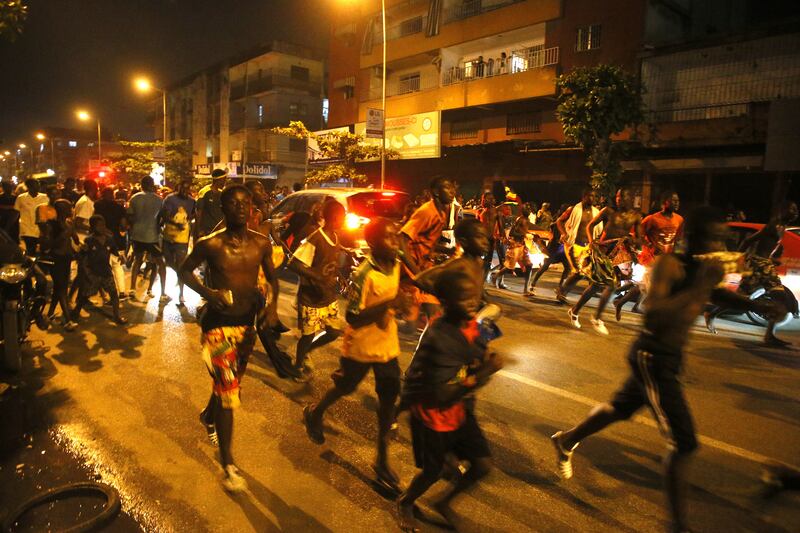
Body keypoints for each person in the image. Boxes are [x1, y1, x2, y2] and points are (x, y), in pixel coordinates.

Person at [550, 206, 785, 533]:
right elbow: (655, 314)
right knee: (684, 442)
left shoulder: (696, 269)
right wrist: (700, 286)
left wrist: (755, 305)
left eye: (721, 239)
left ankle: (567, 440)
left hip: (667, 357)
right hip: (653, 356)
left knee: (620, 408)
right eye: (711, 238)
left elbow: (715, 294)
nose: (718, 246)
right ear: (691, 237)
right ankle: (677, 525)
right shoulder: (668, 265)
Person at [179, 184, 279, 492]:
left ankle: (207, 416)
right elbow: (184, 271)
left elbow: (272, 278)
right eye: (233, 203)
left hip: (247, 327)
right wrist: (208, 293)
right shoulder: (210, 244)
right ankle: (228, 465)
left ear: (251, 208)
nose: (240, 208)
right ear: (223, 209)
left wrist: (272, 309)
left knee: (230, 385)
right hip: (218, 327)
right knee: (228, 395)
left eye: (245, 203)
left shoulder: (262, 243)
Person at [303, 218, 406, 492]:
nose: (396, 242)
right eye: (389, 238)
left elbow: (415, 275)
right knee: (345, 387)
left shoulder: (396, 262)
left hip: (387, 345)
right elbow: (353, 316)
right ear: (373, 243)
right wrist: (389, 304)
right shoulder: (365, 273)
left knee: (388, 400)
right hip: (360, 345)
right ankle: (315, 412)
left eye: (396, 236)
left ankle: (381, 460)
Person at [396, 272, 503, 531]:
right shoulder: (439, 337)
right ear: (445, 302)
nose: (472, 302)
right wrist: (484, 372)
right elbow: (441, 394)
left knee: (482, 465)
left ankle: (444, 502)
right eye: (463, 297)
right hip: (434, 414)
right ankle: (405, 501)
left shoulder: (475, 327)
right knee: (432, 471)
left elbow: (477, 363)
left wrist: (483, 365)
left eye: (474, 296)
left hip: (460, 408)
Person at [704, 201, 799, 346]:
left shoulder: (782, 227)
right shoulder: (773, 225)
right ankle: (769, 337)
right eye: (792, 209)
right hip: (759, 264)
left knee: (741, 298)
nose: (795, 212)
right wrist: (739, 257)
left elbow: (767, 247)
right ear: (783, 210)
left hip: (762, 263)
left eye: (796, 210)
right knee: (780, 296)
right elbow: (749, 240)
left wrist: (772, 258)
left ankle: (712, 314)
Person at [563, 188, 642, 334]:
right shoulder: (608, 211)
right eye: (617, 196)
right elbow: (590, 225)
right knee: (609, 284)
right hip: (602, 251)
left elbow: (639, 240)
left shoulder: (636, 216)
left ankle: (574, 311)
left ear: (630, 199)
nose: (618, 199)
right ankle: (596, 318)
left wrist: (633, 240)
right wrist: (592, 241)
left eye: (622, 196)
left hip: (618, 254)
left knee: (596, 285)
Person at [288, 198, 346, 380]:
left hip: (327, 296)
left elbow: (330, 262)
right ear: (334, 219)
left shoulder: (336, 237)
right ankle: (297, 366)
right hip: (311, 297)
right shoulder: (315, 239)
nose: (344, 220)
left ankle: (308, 351)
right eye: (342, 216)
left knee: (334, 331)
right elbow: (294, 264)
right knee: (307, 335)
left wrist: (339, 276)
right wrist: (319, 277)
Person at [614, 191, 683, 319]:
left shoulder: (679, 219)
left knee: (643, 286)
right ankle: (654, 312)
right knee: (651, 287)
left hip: (665, 259)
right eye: (673, 200)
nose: (676, 203)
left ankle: (621, 302)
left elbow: (677, 239)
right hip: (650, 258)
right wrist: (650, 246)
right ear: (664, 203)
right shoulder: (652, 219)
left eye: (677, 200)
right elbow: (637, 234)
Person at [398, 176, 456, 329]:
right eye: (448, 188)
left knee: (435, 316)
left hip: (424, 269)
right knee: (410, 326)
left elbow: (426, 242)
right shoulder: (426, 212)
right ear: (436, 192)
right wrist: (416, 274)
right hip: (411, 272)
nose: (452, 191)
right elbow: (401, 241)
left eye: (453, 188)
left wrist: (448, 250)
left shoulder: (442, 212)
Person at [414, 218, 490, 307]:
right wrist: (450, 298)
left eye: (485, 237)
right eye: (479, 237)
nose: (485, 242)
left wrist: (485, 300)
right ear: (464, 242)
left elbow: (477, 286)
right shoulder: (460, 265)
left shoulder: (479, 262)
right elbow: (421, 280)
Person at [72, 215, 127, 325]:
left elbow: (114, 250)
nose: (102, 227)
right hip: (93, 273)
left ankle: (117, 316)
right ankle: (75, 313)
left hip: (106, 271)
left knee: (114, 295)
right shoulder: (89, 240)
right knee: (85, 295)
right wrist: (82, 253)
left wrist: (120, 256)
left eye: (103, 225)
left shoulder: (109, 239)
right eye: (99, 225)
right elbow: (81, 255)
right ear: (92, 227)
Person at [553, 189, 600, 303]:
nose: (593, 199)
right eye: (590, 196)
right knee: (579, 271)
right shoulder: (573, 209)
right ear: (584, 196)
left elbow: (598, 230)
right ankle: (562, 291)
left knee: (582, 273)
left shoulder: (597, 212)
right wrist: (564, 233)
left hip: (587, 247)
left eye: (594, 196)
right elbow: (559, 221)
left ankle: (562, 291)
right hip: (573, 245)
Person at [39, 198, 79, 331]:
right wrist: (62, 236)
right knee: (62, 289)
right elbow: (46, 245)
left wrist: (72, 232)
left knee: (59, 287)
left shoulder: (68, 222)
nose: (71, 210)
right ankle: (67, 320)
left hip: (66, 258)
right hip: (56, 259)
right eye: (69, 208)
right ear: (62, 210)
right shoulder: (51, 225)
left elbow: (75, 239)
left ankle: (50, 314)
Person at [128, 176, 167, 301]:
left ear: (141, 185)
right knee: (160, 263)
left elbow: (129, 216)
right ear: (152, 185)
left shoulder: (134, 198)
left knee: (137, 261)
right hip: (152, 236)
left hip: (137, 234)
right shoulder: (159, 200)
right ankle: (162, 292)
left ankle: (132, 289)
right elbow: (163, 218)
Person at [160, 179, 195, 305]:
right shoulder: (170, 199)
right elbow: (164, 215)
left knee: (181, 263)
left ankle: (181, 294)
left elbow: (192, 215)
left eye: (187, 189)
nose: (185, 191)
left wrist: (188, 222)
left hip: (182, 238)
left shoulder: (192, 201)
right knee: (168, 260)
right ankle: (180, 275)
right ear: (178, 188)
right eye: (183, 188)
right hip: (168, 236)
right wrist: (176, 223)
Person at [527, 204, 572, 296]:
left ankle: (560, 288)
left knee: (567, 268)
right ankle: (532, 283)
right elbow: (554, 233)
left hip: (563, 248)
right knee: (545, 266)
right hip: (554, 248)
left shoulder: (569, 223)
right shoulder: (558, 223)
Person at [94, 186, 129, 299]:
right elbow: (123, 225)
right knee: (117, 266)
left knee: (106, 268)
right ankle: (122, 292)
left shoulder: (98, 205)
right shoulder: (119, 208)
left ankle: (110, 295)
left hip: (102, 239)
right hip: (116, 239)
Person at [492, 203, 533, 291]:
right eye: (526, 209)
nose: (528, 211)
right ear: (522, 210)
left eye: (529, 209)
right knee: (509, 267)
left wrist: (527, 235)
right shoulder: (520, 219)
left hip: (521, 245)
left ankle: (526, 289)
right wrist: (525, 234)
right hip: (514, 245)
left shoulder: (526, 219)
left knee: (529, 265)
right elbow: (512, 233)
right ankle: (495, 276)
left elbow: (523, 232)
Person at [14, 178, 49, 255]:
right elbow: (16, 213)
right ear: (28, 187)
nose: (37, 187)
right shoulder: (21, 198)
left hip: (41, 230)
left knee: (43, 252)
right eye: (34, 185)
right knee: (30, 251)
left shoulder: (45, 197)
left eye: (38, 185)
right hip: (27, 230)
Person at [478, 192, 503, 281]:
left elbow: (501, 227)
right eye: (488, 198)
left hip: (490, 239)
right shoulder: (480, 211)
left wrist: (503, 238)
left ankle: (484, 280)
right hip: (481, 238)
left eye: (492, 198)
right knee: (480, 260)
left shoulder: (497, 212)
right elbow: (477, 225)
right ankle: (480, 279)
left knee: (488, 261)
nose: (491, 200)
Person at [195, 169, 227, 238]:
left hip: (219, 231)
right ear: (219, 180)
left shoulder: (222, 193)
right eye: (224, 180)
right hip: (207, 231)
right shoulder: (204, 192)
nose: (225, 182)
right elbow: (199, 213)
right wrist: (199, 230)